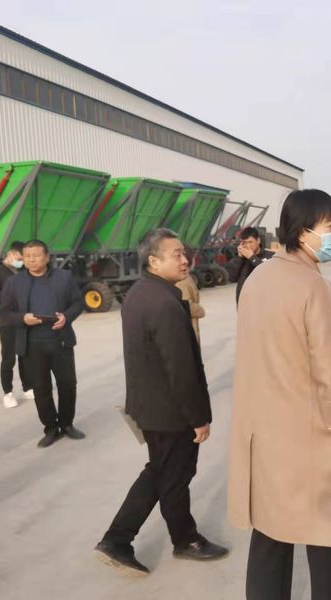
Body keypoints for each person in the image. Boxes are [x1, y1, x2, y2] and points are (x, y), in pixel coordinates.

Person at [229, 189, 331, 600]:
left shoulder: (258, 278)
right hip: (311, 437)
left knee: (271, 536)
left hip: (264, 435)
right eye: (330, 226)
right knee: (328, 538)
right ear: (303, 232)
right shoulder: (313, 286)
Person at [96, 228, 228, 575]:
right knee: (174, 476)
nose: (185, 260)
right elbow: (180, 369)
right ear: (153, 261)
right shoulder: (164, 303)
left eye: (184, 253)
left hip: (151, 406)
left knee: (162, 472)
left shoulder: (140, 293)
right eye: (176, 255)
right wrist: (198, 418)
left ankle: (121, 539)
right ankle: (179, 540)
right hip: (170, 411)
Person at [0, 240, 85, 447]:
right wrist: (23, 318)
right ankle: (51, 428)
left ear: (46, 257)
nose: (31, 260)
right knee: (40, 388)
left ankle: (67, 424)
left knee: (67, 384)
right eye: (27, 256)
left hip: (60, 342)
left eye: (36, 255)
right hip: (32, 345)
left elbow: (78, 303)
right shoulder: (14, 282)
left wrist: (66, 317)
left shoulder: (63, 277)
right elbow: (5, 313)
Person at [0, 241, 33, 408]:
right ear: (10, 254)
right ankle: (8, 393)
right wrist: (13, 296)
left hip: (23, 318)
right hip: (7, 320)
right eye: (19, 258)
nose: (21, 262)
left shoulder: (21, 272)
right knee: (8, 357)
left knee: (24, 355)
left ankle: (28, 387)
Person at [225, 226, 274, 304]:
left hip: (263, 303)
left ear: (258, 240)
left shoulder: (271, 256)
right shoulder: (240, 259)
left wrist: (252, 258)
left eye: (250, 242)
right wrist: (239, 258)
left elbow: (269, 275)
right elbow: (231, 277)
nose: (248, 246)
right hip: (244, 303)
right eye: (245, 242)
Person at [176, 245, 206, 344]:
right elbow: (186, 304)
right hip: (187, 329)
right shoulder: (182, 280)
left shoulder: (186, 277)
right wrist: (200, 310)